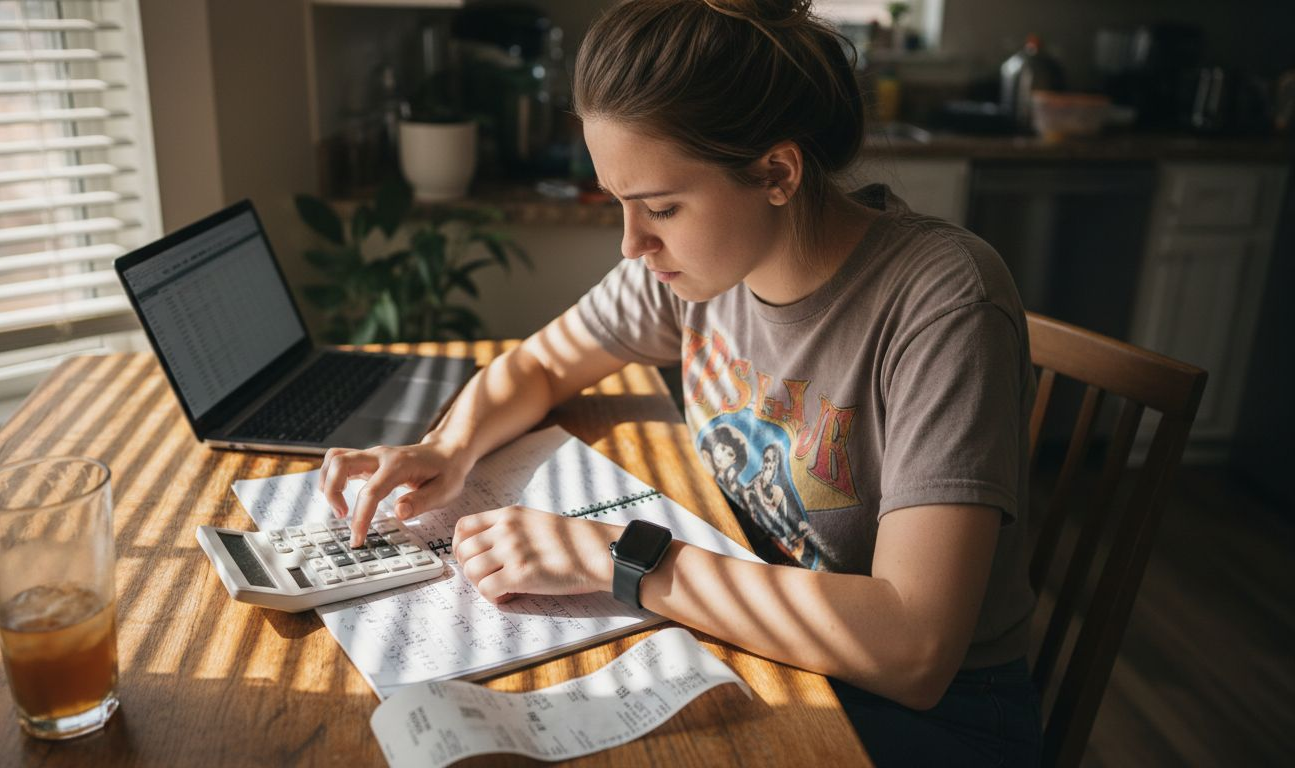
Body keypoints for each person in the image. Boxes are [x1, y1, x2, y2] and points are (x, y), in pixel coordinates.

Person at [319, 1, 1041, 764]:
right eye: (620, 204)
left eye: (660, 206)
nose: (633, 243)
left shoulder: (943, 304)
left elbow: (915, 646)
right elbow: (539, 364)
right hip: (768, 637)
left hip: (929, 717)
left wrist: (614, 558)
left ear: (776, 173)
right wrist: (450, 446)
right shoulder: (697, 269)